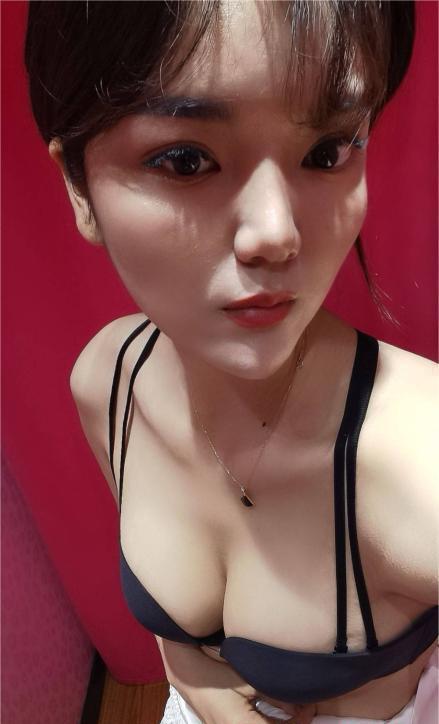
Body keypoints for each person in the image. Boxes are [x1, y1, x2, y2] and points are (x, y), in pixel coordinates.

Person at [25, 2, 437, 723]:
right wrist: (200, 686)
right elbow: (178, 632)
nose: (276, 234)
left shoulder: (418, 465)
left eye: (328, 151)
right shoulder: (108, 382)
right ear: (79, 190)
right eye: (184, 159)